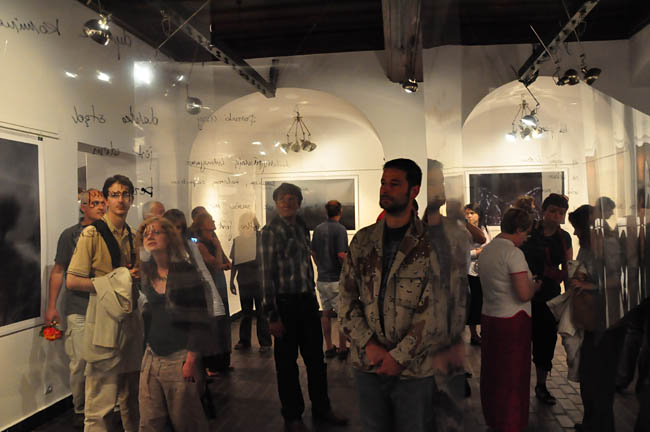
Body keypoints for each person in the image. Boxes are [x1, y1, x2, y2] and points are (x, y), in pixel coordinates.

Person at [339, 158, 454, 432]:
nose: (385, 189)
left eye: (394, 184)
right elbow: (345, 300)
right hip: (368, 364)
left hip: (414, 369)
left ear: (413, 191)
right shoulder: (363, 241)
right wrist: (370, 346)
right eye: (383, 183)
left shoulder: (433, 244)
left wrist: (399, 356)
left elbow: (437, 310)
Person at [260, 182, 347, 432]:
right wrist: (272, 315)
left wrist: (312, 295)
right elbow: (265, 275)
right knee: (286, 365)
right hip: (284, 305)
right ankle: (292, 416)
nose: (286, 203)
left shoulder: (301, 227)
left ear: (299, 203)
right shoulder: (269, 232)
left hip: (307, 302)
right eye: (282, 199)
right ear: (276, 203)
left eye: (291, 198)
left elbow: (306, 265)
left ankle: (322, 408)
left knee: (316, 361)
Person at [66, 175, 143, 432]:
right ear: (107, 199)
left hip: (130, 320)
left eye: (125, 194)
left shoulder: (134, 235)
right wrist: (116, 281)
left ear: (132, 198)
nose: (120, 200)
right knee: (100, 403)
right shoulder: (91, 234)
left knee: (132, 400)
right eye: (114, 194)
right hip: (102, 320)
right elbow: (72, 281)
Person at [136, 217, 210, 432]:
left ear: (169, 237)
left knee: (187, 422)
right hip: (152, 355)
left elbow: (200, 318)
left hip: (179, 357)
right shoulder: (146, 273)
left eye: (156, 232)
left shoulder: (185, 272)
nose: (150, 236)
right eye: (146, 233)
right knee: (149, 422)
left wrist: (191, 360)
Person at [44, 189, 106, 427]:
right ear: (83, 206)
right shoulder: (70, 235)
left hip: (104, 307)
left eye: (102, 203)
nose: (100, 207)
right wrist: (51, 306)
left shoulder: (110, 233)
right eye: (95, 203)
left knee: (104, 360)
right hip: (78, 307)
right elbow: (58, 270)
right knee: (79, 362)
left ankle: (100, 407)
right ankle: (80, 407)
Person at [478, 207, 541, 432]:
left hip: (490, 316)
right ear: (519, 229)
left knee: (493, 373)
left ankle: (494, 418)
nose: (526, 238)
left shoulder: (488, 250)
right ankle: (511, 422)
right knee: (513, 376)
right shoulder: (513, 254)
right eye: (526, 233)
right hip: (513, 322)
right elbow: (523, 294)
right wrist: (535, 286)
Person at [568, 204, 625, 432]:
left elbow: (619, 278)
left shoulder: (607, 245)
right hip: (592, 319)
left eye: (577, 228)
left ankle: (601, 425)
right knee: (589, 375)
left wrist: (589, 285)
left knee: (600, 377)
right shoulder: (588, 245)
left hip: (607, 320)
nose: (574, 232)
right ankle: (592, 422)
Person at [520, 193, 572, 405]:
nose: (556, 216)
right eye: (553, 211)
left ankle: (541, 385)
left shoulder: (564, 237)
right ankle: (518, 385)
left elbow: (568, 267)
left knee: (546, 342)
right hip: (523, 293)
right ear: (544, 210)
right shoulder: (529, 231)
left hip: (549, 296)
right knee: (521, 342)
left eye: (561, 212)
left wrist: (569, 295)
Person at [190, 212, 232, 375]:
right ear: (202, 225)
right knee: (213, 327)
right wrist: (218, 247)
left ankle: (221, 362)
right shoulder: (200, 245)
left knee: (222, 325)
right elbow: (216, 264)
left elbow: (222, 263)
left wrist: (218, 250)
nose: (213, 222)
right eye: (210, 220)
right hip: (210, 288)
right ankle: (211, 364)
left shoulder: (211, 240)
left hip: (219, 286)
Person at [311, 200, 348, 359]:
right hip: (336, 279)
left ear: (326, 212)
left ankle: (329, 346)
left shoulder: (318, 229)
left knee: (325, 314)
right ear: (340, 211)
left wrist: (319, 266)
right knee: (342, 316)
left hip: (322, 279)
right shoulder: (340, 229)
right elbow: (341, 255)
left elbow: (313, 252)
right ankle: (342, 348)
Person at [229, 212, 272, 352]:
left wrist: (232, 280)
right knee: (250, 313)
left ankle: (261, 342)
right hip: (247, 281)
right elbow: (235, 262)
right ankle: (254, 341)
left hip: (255, 281)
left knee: (258, 313)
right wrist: (231, 280)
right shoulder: (240, 241)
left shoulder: (257, 239)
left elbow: (235, 262)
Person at [464, 202, 491, 346]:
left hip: (484, 271)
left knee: (484, 303)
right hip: (471, 272)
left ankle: (484, 332)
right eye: (467, 213)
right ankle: (474, 335)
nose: (469, 216)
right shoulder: (464, 231)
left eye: (472, 213)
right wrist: (477, 253)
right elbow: (461, 253)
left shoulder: (483, 228)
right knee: (474, 304)